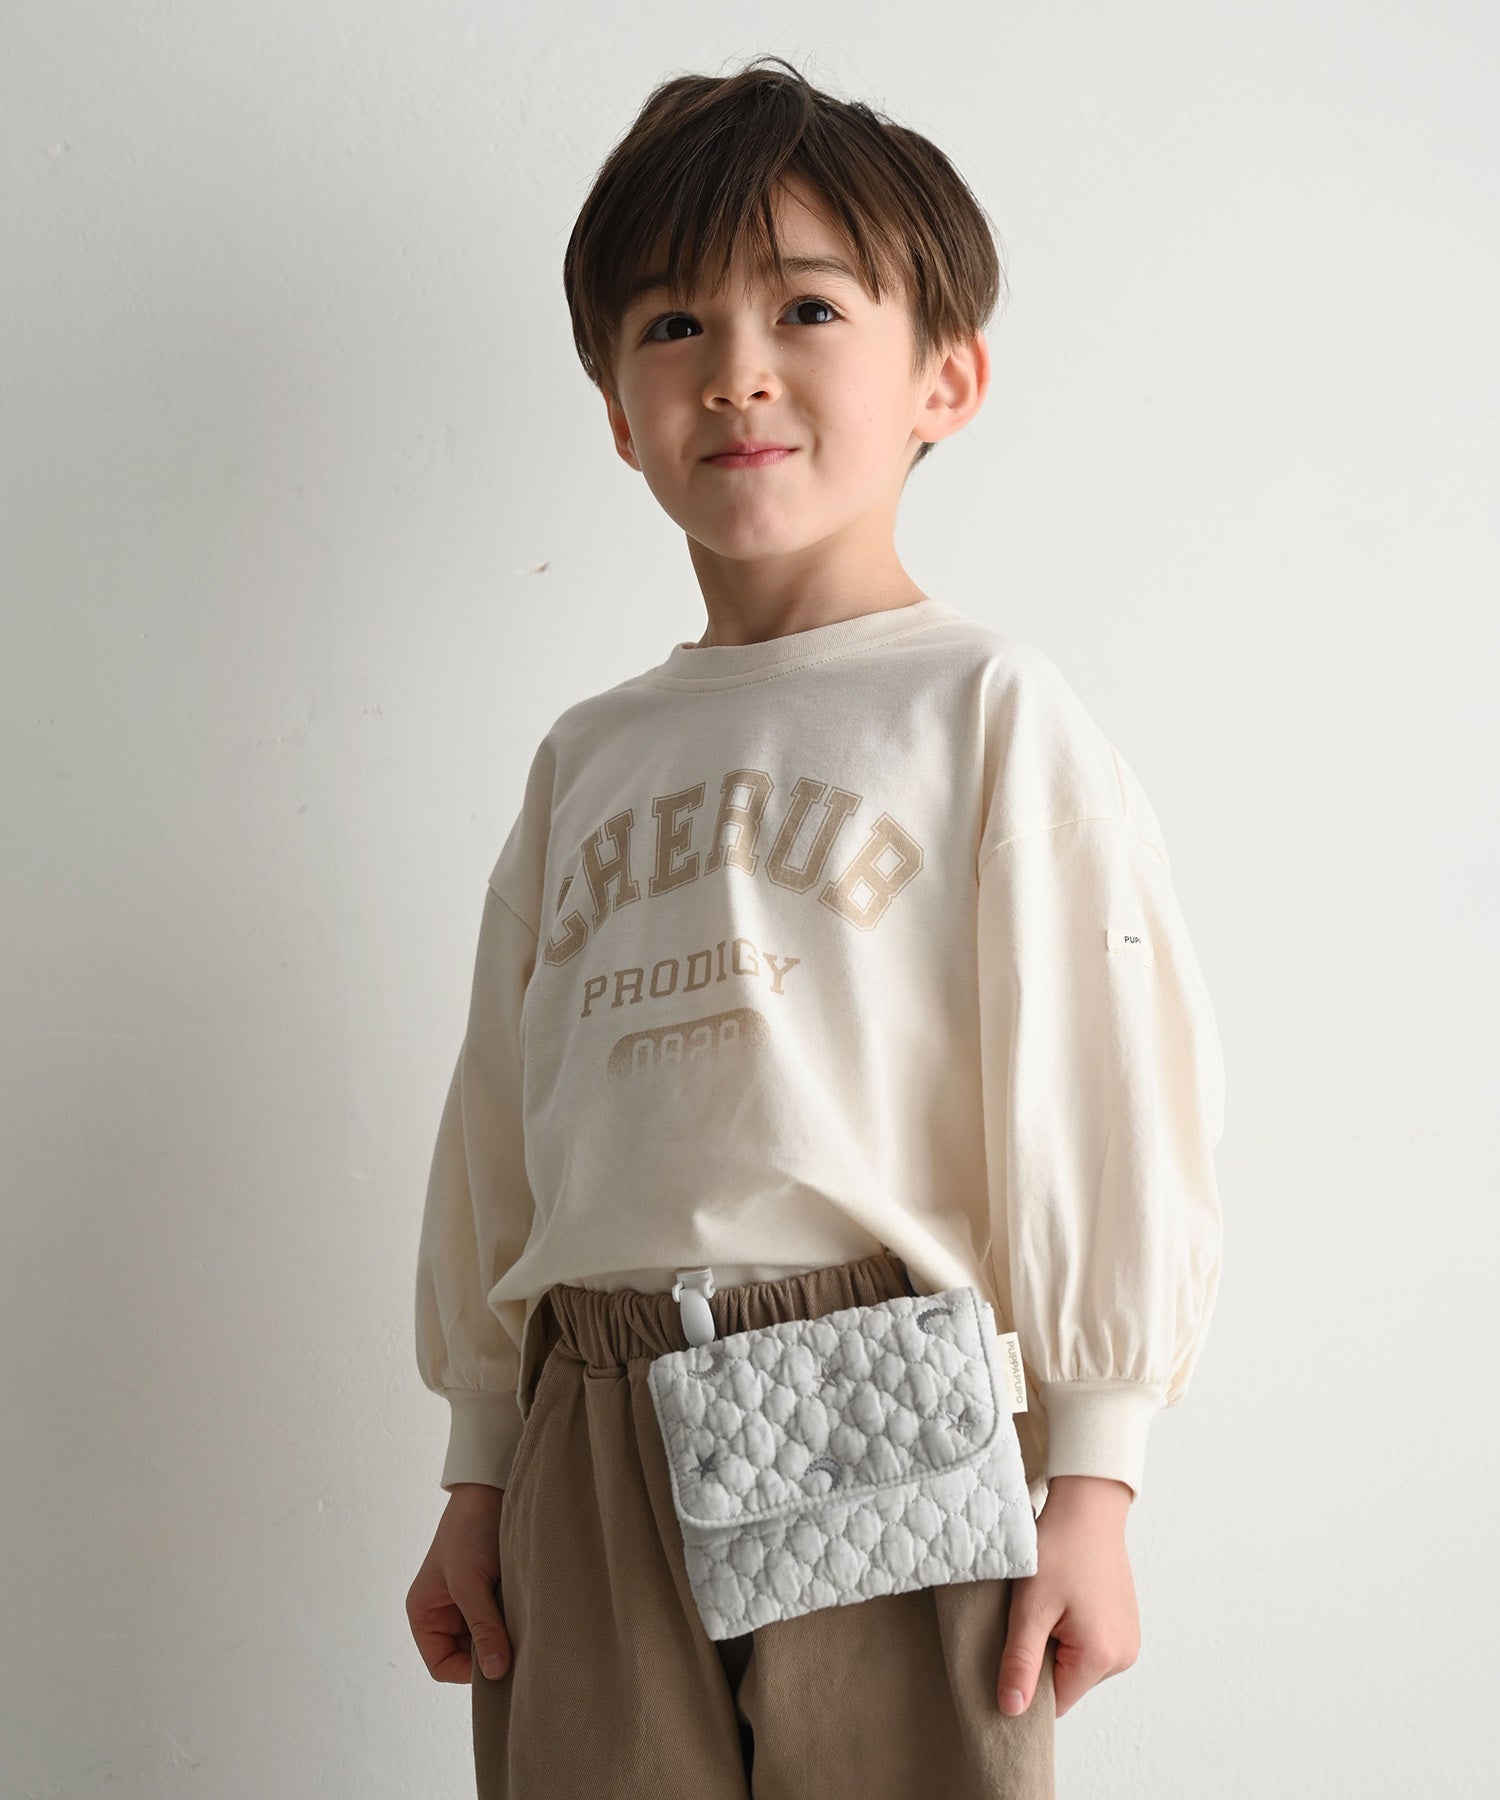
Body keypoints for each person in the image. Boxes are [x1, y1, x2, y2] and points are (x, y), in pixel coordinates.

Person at [404, 53, 1225, 1800]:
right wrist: (480, 1466)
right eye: (672, 326)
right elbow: (500, 1122)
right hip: (586, 1413)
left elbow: (1098, 1088)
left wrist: (1094, 1476)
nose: (737, 369)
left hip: (881, 1395)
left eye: (807, 307)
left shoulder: (983, 707)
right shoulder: (586, 758)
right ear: (617, 410)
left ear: (948, 375)